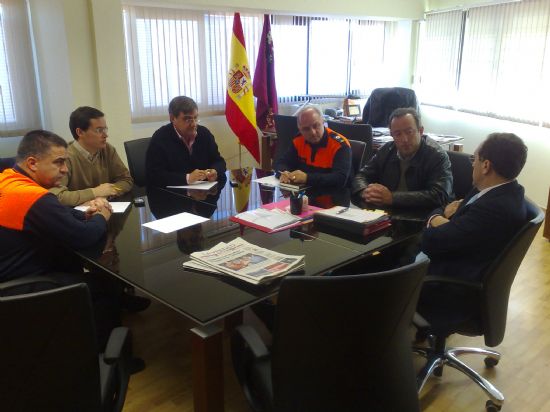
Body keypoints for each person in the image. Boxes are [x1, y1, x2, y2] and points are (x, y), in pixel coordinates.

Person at [421, 132, 528, 282]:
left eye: (474, 158)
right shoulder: (506, 191)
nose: (472, 164)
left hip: (448, 280)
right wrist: (447, 220)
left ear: (486, 166)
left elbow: (430, 241)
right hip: (462, 256)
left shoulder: (493, 209)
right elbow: (455, 212)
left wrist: (435, 217)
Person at [352, 107, 452, 208]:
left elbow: (439, 195)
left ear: (420, 131)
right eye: (398, 134)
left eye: (409, 132)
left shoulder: (437, 155)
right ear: (392, 135)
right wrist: (365, 191)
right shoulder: (387, 150)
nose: (404, 139)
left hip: (424, 217)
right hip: (388, 214)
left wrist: (392, 197)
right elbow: (361, 176)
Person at [50, 106, 133, 206]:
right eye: (99, 130)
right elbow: (56, 196)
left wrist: (108, 192)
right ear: (80, 132)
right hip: (76, 216)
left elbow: (126, 180)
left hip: (104, 208)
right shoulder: (65, 157)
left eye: (105, 129)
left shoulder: (107, 149)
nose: (105, 135)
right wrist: (95, 192)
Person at [146, 96, 226, 187]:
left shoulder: (204, 133)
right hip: (172, 197)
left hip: (203, 193)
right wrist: (187, 178)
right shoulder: (160, 138)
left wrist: (215, 171)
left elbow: (220, 162)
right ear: (172, 118)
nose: (193, 124)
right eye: (187, 119)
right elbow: (154, 175)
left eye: (195, 118)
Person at [274, 105, 352, 188]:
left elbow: (340, 179)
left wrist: (307, 178)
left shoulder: (339, 145)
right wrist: (284, 173)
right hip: (305, 194)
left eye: (316, 126)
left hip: (334, 197)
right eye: (306, 129)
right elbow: (282, 162)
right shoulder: (298, 140)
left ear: (323, 122)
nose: (313, 132)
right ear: (300, 129)